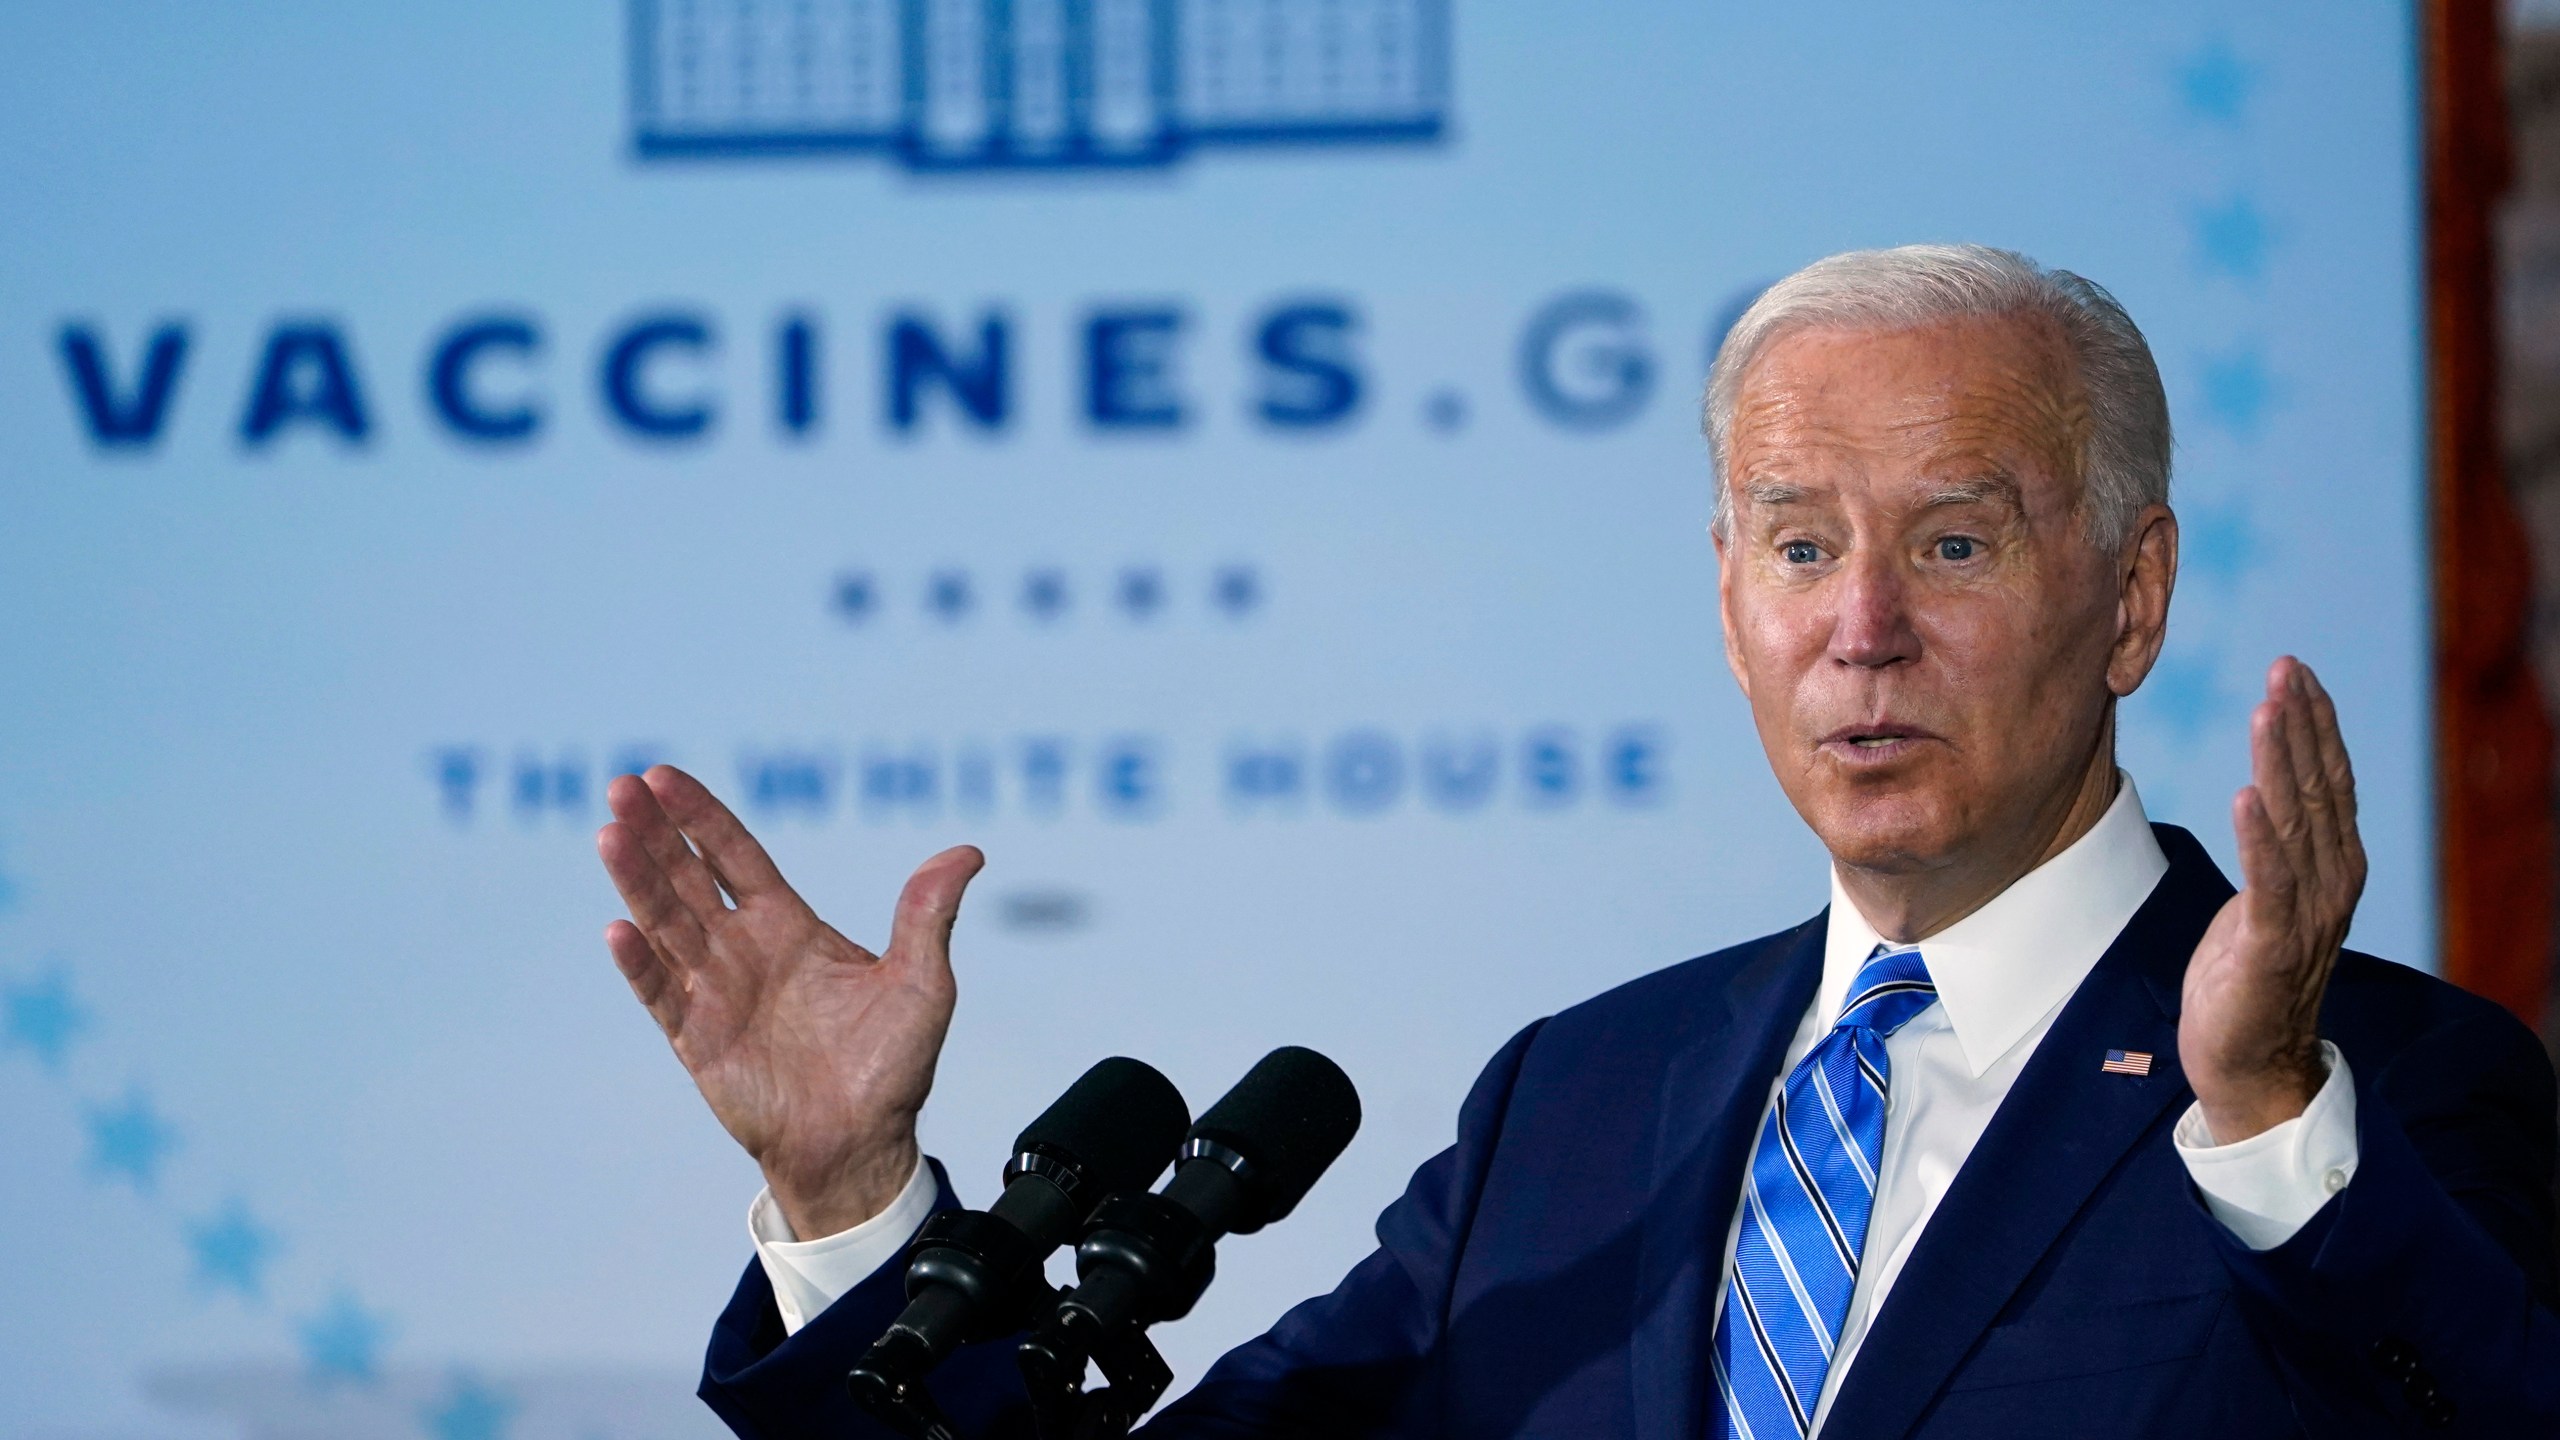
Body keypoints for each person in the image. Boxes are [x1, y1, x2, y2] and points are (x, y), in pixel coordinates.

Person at [595, 245, 2560, 1438]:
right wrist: (850, 1196)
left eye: (1951, 542)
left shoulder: (2374, 1099)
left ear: (2128, 600)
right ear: (1726, 602)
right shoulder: (1578, 1103)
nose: (1858, 624)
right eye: (1799, 545)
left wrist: (2262, 1120)